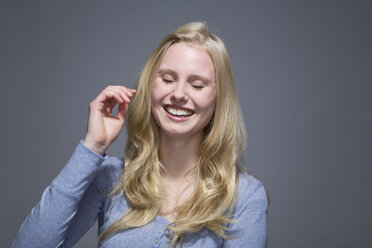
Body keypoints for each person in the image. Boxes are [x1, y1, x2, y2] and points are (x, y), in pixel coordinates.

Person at [13, 22, 268, 248]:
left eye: (197, 85)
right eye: (167, 79)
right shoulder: (110, 179)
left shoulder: (243, 196)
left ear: (219, 99)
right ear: (150, 86)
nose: (179, 94)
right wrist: (92, 146)